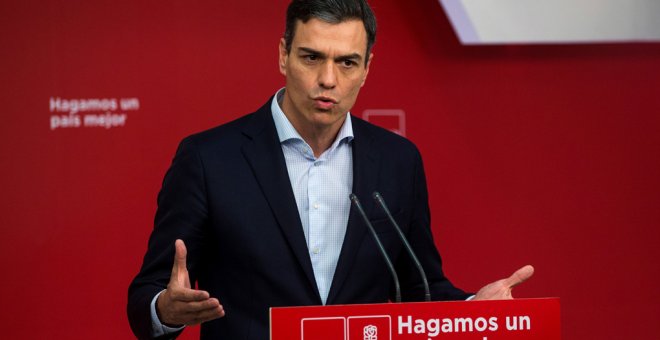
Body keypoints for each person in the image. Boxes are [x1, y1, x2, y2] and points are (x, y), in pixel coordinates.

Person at [127, 0, 534, 339]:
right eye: (311, 57)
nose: (328, 79)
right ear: (283, 54)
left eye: (347, 63)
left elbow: (419, 288)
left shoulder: (398, 161)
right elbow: (148, 293)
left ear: (367, 68)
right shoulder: (209, 158)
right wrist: (165, 309)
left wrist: (472, 310)